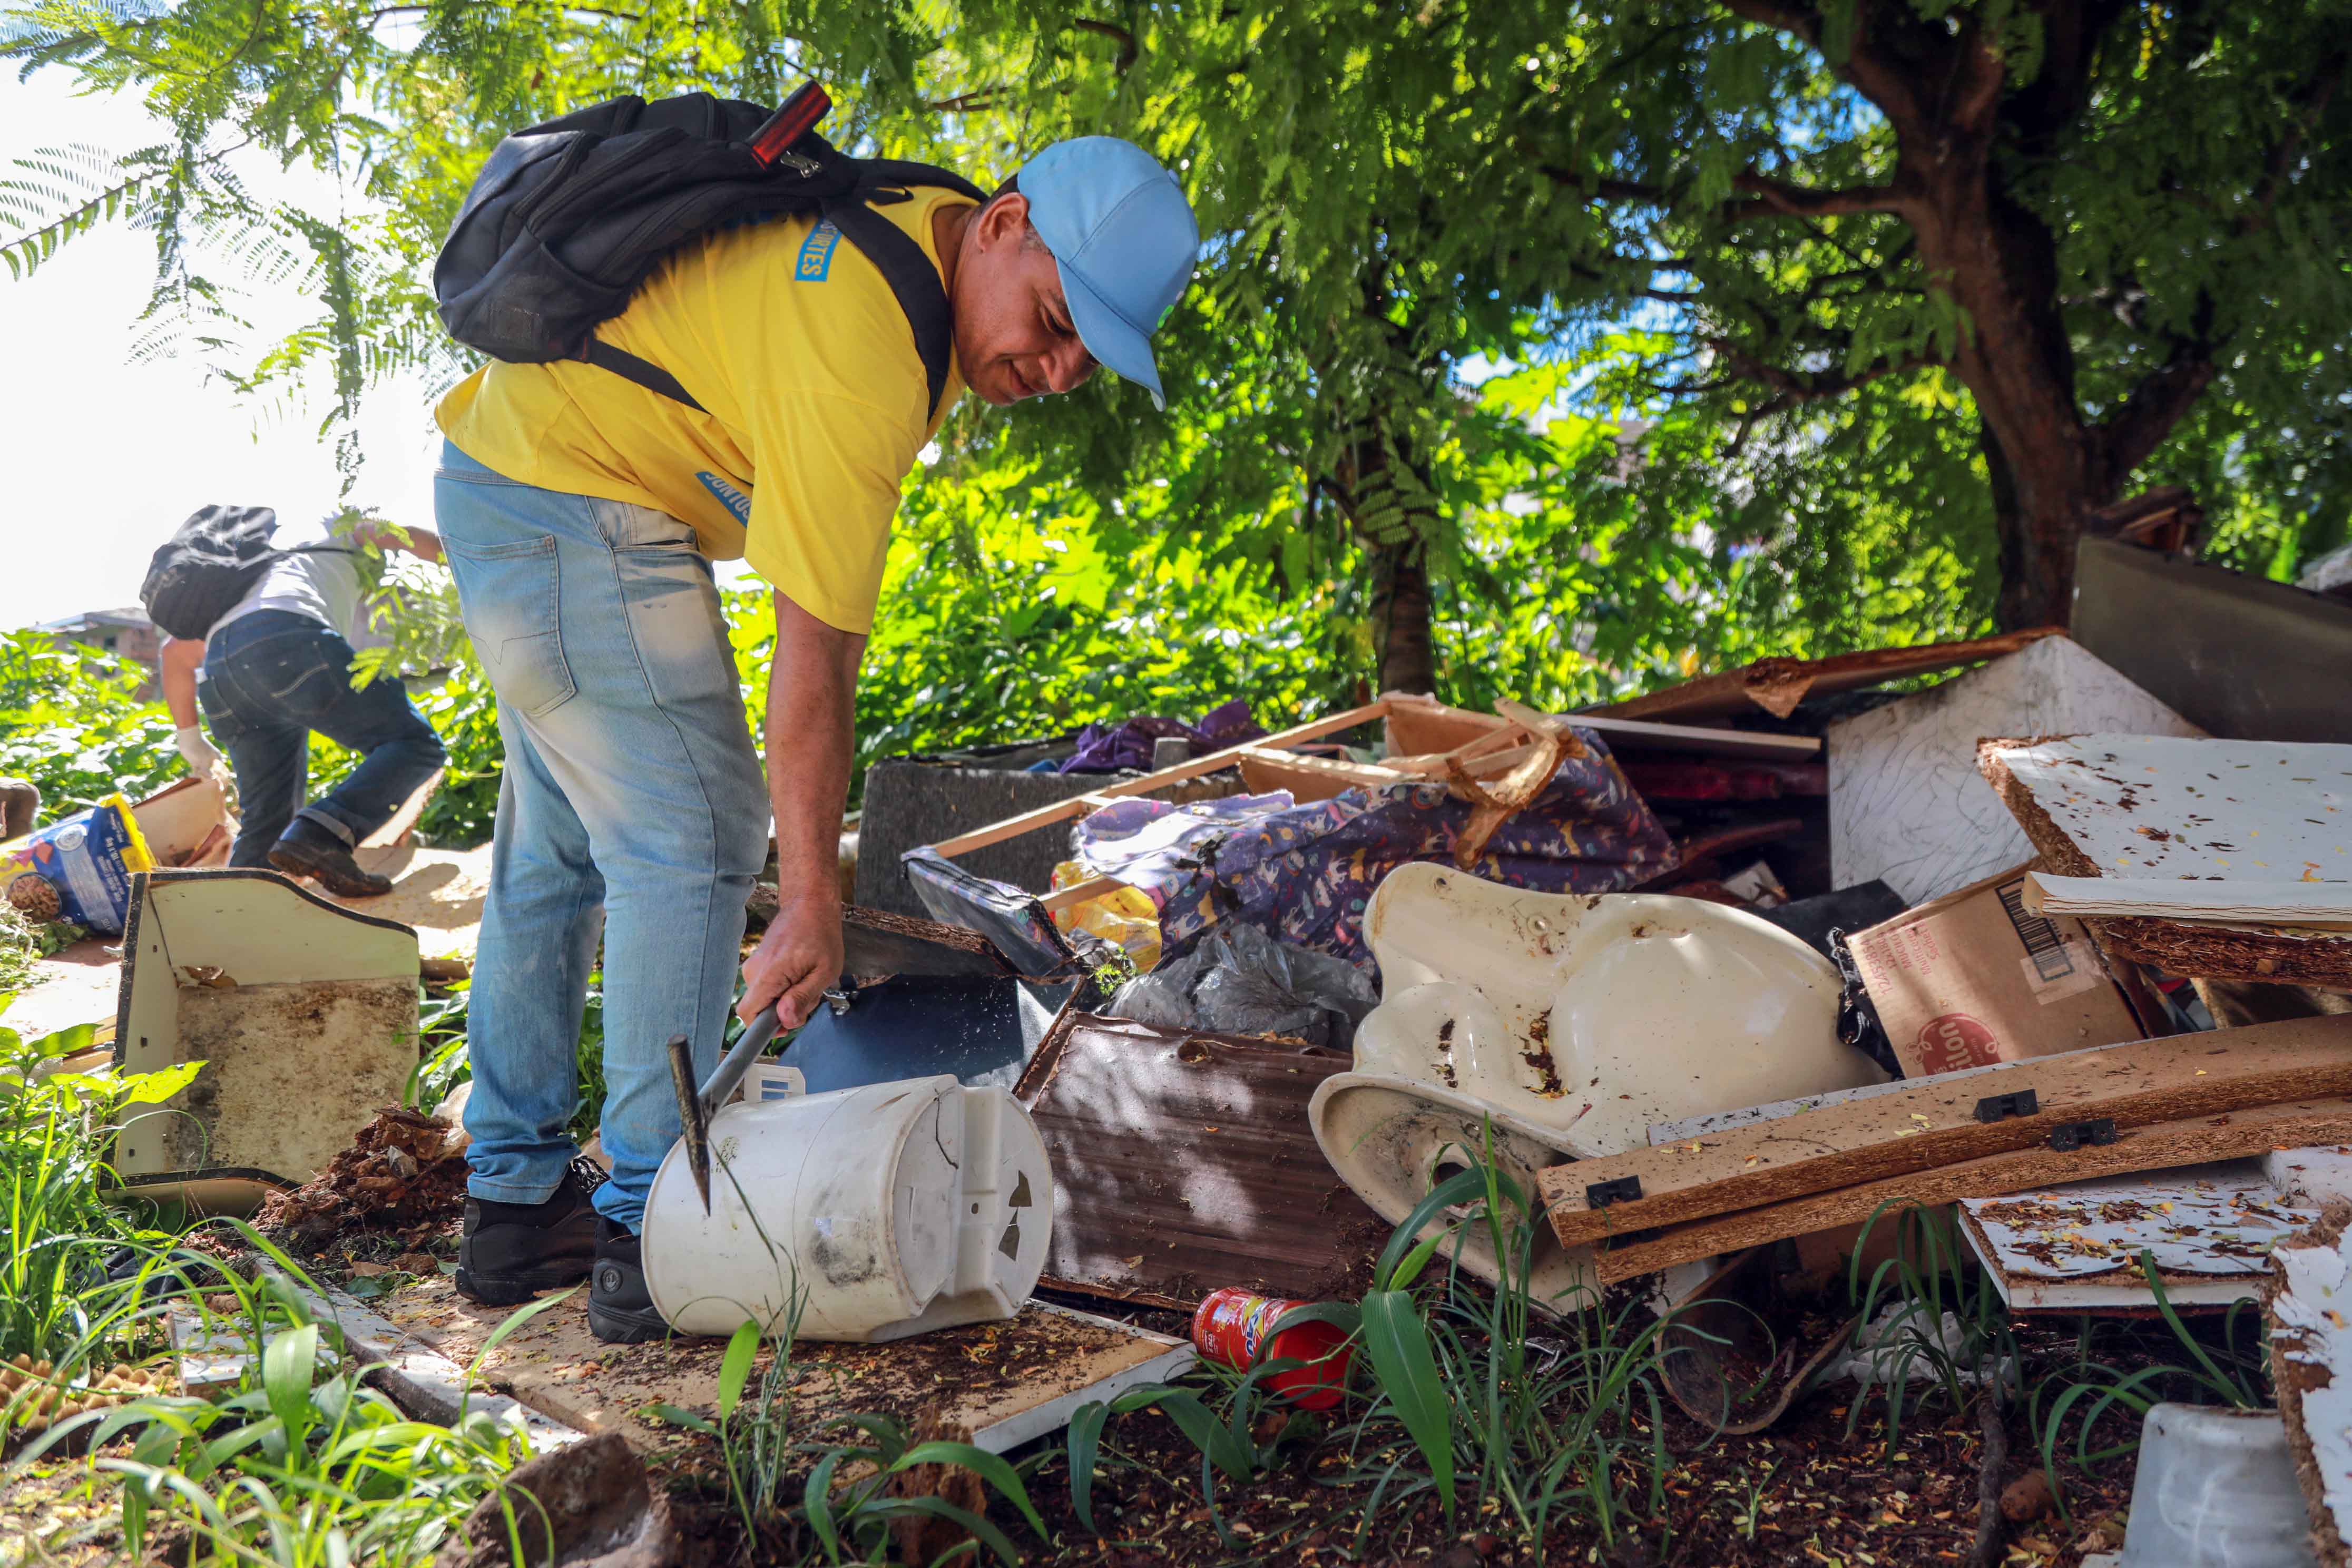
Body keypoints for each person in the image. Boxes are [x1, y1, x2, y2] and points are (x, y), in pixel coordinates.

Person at [432, 134, 1200, 1342]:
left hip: (523, 479)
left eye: (1084, 357)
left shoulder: (925, 224)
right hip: (571, 495)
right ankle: (650, 1222)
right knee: (695, 832)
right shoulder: (866, 340)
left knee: (560, 853)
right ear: (1002, 225)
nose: (1055, 372)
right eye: (1053, 322)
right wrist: (809, 903)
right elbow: (817, 668)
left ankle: (515, 1203)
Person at [159, 513, 450, 897]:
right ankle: (321, 834)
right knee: (415, 745)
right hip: (287, 641)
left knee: (267, 823)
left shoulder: (255, 580)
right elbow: (408, 535)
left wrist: (190, 739)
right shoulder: (339, 532)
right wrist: (471, 562)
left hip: (223, 674)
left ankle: (234, 926)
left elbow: (173, 654)